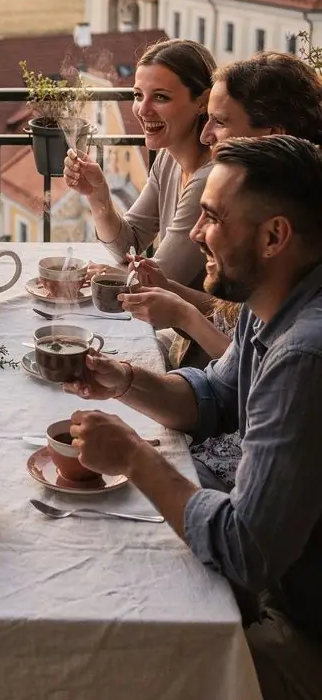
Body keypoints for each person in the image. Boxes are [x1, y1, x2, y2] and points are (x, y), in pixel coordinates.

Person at [66, 136, 322, 700]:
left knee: (94, 677)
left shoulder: (304, 356)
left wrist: (134, 458)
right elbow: (214, 397)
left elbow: (244, 549)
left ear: (273, 236)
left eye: (211, 217)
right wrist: (123, 381)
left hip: (307, 630)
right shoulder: (273, 299)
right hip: (287, 588)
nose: (198, 233)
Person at [121, 52, 322, 485]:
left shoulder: (305, 347)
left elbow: (251, 541)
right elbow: (221, 388)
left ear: (274, 137)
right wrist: (121, 380)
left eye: (221, 122)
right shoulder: (269, 278)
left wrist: (137, 463)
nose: (207, 134)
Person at [63, 39, 215, 290]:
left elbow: (161, 280)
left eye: (161, 97)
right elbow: (128, 243)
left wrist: (110, 274)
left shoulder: (209, 180)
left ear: (202, 102)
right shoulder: (168, 159)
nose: (143, 110)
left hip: (189, 327)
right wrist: (97, 194)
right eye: (137, 95)